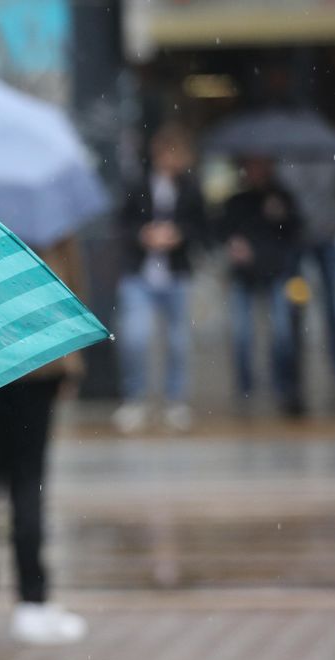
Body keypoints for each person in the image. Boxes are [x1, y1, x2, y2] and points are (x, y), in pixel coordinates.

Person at [0, 237, 90, 648]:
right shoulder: (46, 209)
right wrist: (72, 359)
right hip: (36, 363)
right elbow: (72, 291)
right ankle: (32, 603)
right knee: (27, 484)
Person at [113, 125, 206, 433]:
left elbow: (201, 226)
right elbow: (121, 224)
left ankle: (175, 399)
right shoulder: (137, 185)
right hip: (140, 273)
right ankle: (134, 397)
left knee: (179, 341)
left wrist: (179, 236)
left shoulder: (191, 189)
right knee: (135, 337)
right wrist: (144, 235)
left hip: (175, 273)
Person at [218, 155, 303, 416]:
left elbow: (296, 234)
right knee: (242, 334)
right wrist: (234, 246)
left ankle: (282, 385)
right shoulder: (237, 201)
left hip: (276, 272)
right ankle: (245, 387)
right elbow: (222, 230)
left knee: (282, 334)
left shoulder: (282, 198)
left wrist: (282, 216)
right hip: (244, 275)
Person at [280, 156, 335, 406]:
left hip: (327, 241)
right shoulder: (285, 159)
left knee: (332, 306)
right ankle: (294, 374)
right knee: (294, 308)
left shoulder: (333, 157)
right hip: (295, 242)